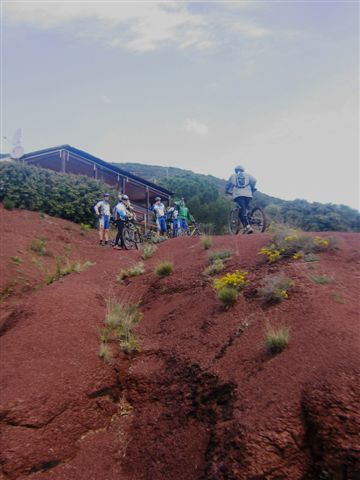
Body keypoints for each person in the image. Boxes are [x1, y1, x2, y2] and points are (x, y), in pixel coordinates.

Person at [225, 165, 257, 234]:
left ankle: (247, 227)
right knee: (244, 210)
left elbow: (227, 185)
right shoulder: (248, 175)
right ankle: (248, 223)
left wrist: (227, 191)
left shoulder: (233, 176)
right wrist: (252, 187)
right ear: (243, 170)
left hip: (238, 195)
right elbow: (254, 180)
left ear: (236, 170)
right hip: (248, 194)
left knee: (242, 211)